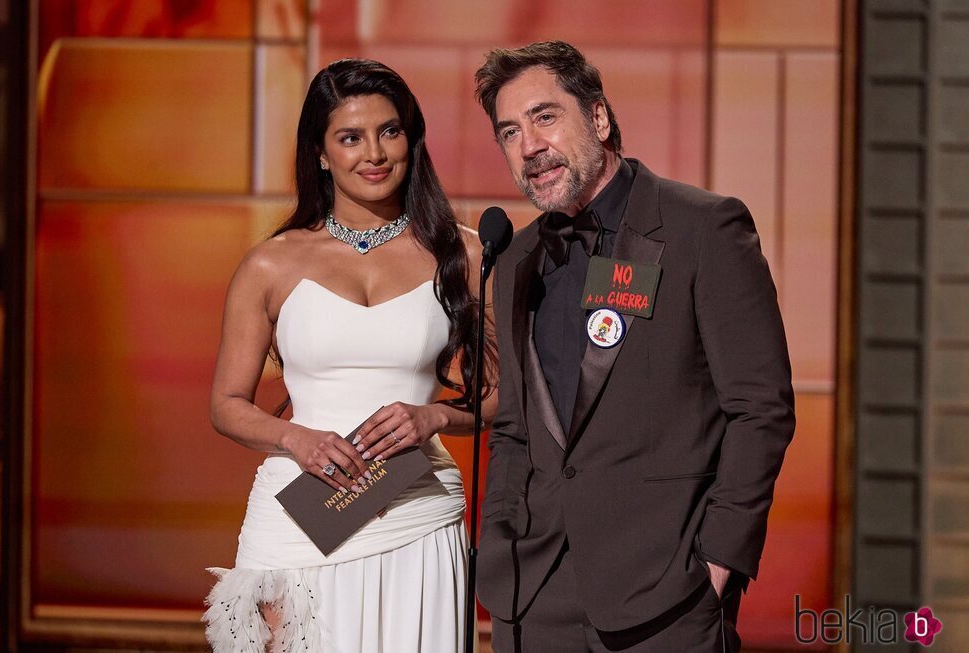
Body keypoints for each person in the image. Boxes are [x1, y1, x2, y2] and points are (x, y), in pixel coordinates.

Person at [473, 41, 795, 652]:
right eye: (509, 132)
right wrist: (502, 541)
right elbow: (515, 429)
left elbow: (761, 409)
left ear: (598, 117)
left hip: (665, 593)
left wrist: (718, 563)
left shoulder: (703, 228)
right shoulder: (516, 259)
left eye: (545, 117)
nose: (529, 146)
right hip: (533, 597)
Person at [204, 58, 496, 653]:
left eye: (390, 131)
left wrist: (435, 415)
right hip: (298, 517)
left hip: (418, 512)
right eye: (351, 137)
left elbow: (502, 397)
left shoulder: (463, 255)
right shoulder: (270, 264)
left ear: (411, 140)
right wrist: (296, 439)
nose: (375, 153)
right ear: (319, 152)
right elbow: (227, 404)